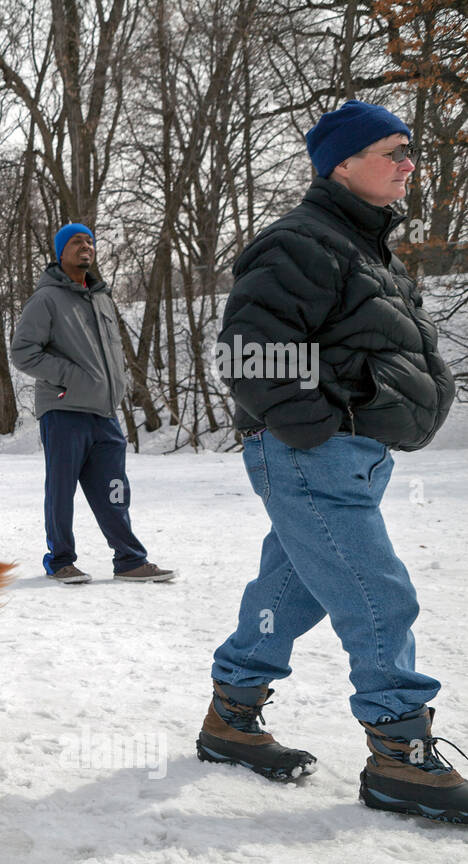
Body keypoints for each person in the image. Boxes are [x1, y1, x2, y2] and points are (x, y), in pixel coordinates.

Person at [201, 100, 461, 823]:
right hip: (313, 453)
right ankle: (399, 753)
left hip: (352, 457)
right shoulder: (301, 242)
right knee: (377, 593)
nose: (409, 163)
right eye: (393, 152)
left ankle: (232, 713)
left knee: (291, 591)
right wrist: (313, 427)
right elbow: (248, 349)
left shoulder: (367, 247)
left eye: (411, 151)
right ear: (341, 163)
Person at [10, 223, 174, 584]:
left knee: (115, 488)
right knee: (61, 490)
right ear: (60, 252)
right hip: (65, 410)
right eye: (76, 242)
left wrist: (117, 385)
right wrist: (70, 376)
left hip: (104, 412)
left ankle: (130, 560)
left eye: (90, 242)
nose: (86, 246)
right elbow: (22, 353)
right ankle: (61, 560)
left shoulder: (101, 297)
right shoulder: (46, 299)